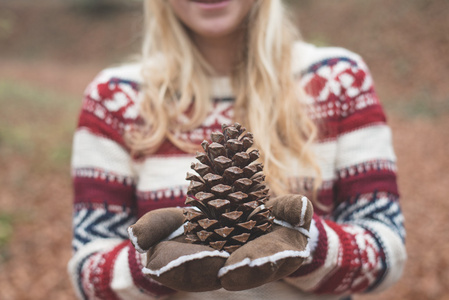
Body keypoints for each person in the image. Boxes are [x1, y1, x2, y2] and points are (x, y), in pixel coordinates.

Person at [67, 0, 407, 299]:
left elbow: (387, 249)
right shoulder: (114, 99)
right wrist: (151, 263)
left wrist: (306, 245)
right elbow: (88, 273)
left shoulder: (340, 81)